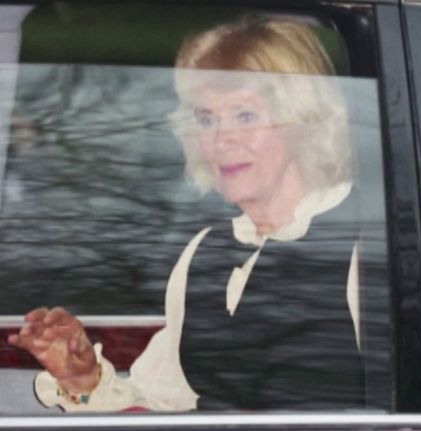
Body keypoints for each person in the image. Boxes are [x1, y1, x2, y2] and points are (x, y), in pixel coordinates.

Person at [7, 16, 364, 411]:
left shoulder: (365, 249)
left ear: (302, 122)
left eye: (245, 116)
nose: (221, 139)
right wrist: (82, 379)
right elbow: (160, 399)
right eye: (206, 119)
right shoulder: (204, 251)